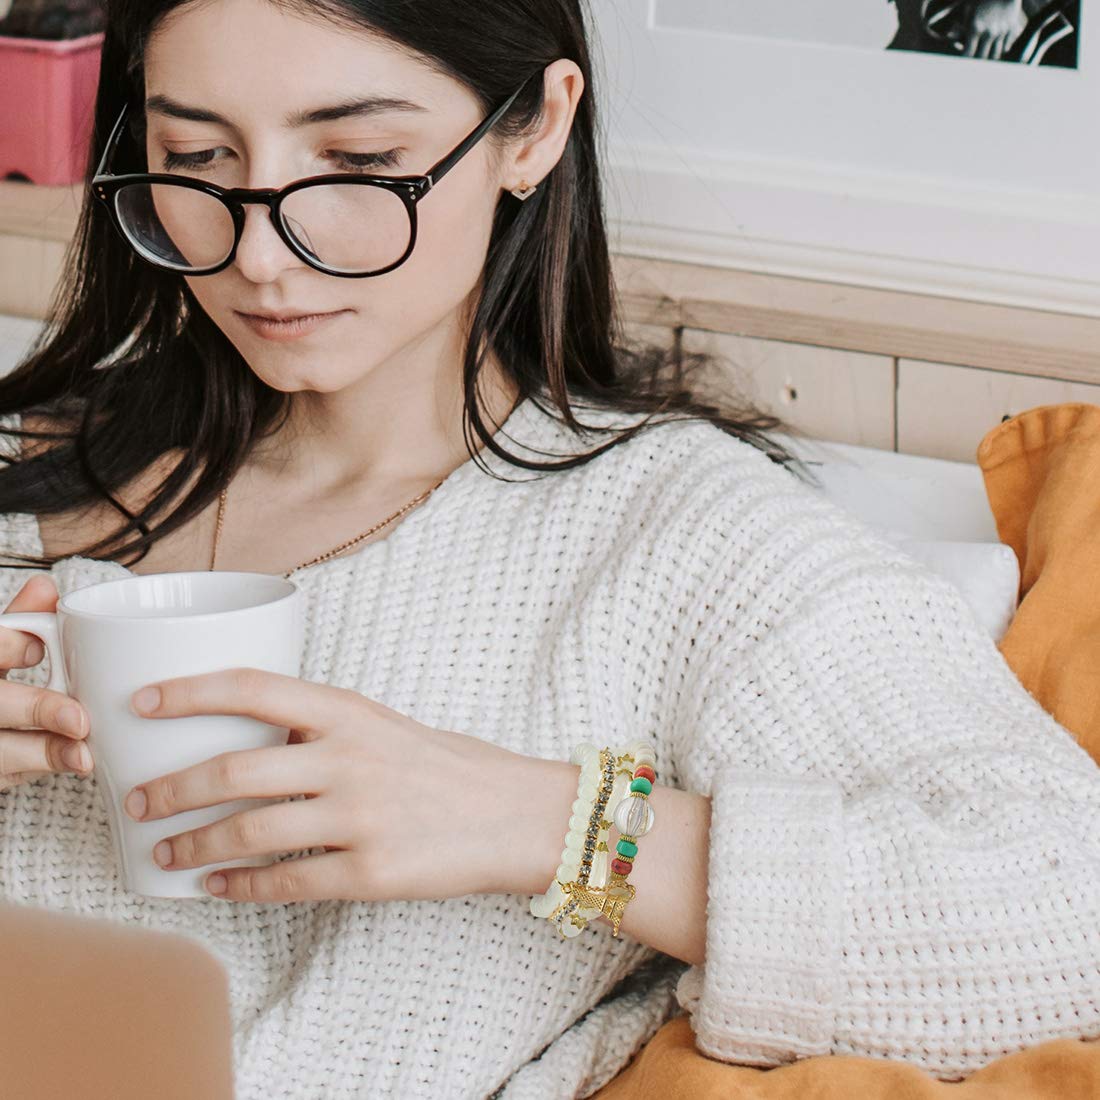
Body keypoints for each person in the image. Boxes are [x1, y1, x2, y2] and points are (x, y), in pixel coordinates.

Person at [0, 2, 1098, 1098]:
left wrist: (555, 825)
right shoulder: (24, 468)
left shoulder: (674, 541)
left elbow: (1066, 915)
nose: (257, 252)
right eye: (195, 156)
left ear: (532, 130)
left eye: (359, 160)